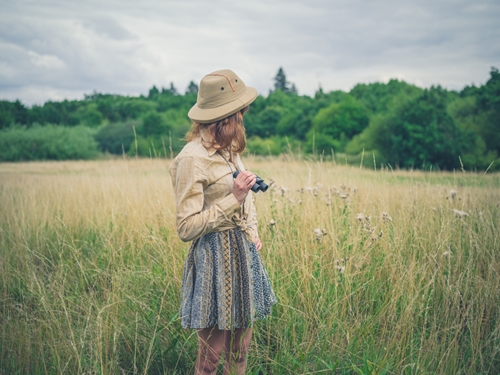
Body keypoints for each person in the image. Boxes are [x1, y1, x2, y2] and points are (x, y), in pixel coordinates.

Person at [169, 69, 277, 375]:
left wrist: (252, 231)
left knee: (240, 352)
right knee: (210, 359)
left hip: (243, 253)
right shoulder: (192, 158)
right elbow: (186, 227)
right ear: (223, 118)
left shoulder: (229, 148)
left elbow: (247, 197)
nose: (243, 118)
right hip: (214, 258)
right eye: (239, 113)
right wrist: (234, 198)